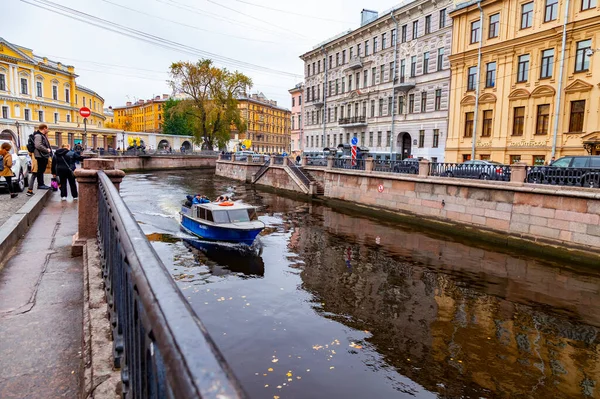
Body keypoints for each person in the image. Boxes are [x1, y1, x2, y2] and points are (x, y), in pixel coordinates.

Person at [33, 123, 52, 190]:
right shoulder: (38, 135)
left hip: (42, 155)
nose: (47, 130)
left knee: (41, 170)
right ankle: (40, 184)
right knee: (40, 170)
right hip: (40, 155)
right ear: (44, 128)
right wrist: (46, 150)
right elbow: (38, 145)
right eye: (47, 128)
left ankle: (41, 184)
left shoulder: (41, 135)